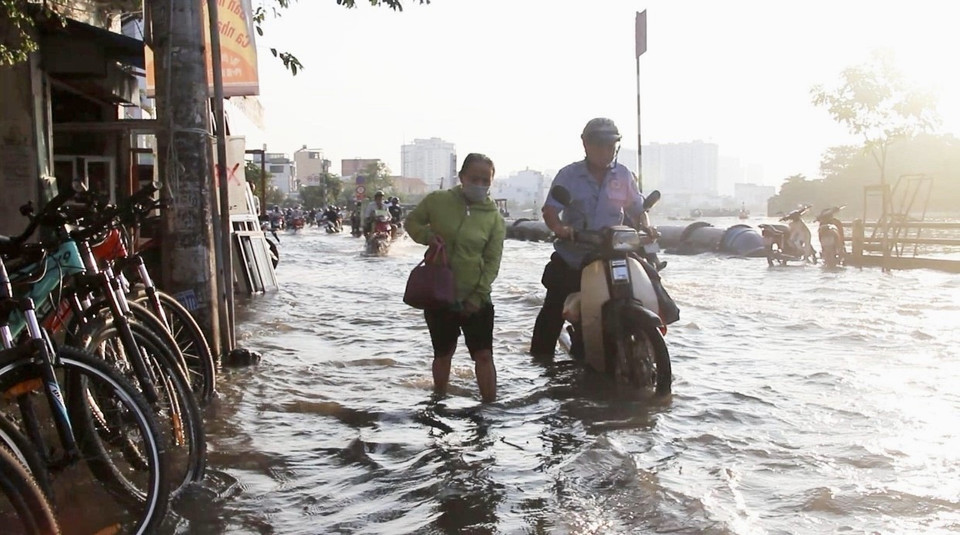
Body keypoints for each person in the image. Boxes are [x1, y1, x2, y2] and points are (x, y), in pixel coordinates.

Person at [529, 117, 656, 359]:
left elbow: (638, 210)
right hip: (576, 256)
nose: (605, 151)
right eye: (599, 144)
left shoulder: (624, 175)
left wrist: (648, 228)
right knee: (554, 307)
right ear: (585, 144)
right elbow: (550, 211)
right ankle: (540, 361)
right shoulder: (569, 175)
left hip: (613, 254)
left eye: (610, 145)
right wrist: (561, 229)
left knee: (652, 281)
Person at [405, 153, 506, 403]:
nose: (480, 185)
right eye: (475, 179)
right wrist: (428, 237)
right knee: (443, 353)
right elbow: (412, 222)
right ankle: (438, 400)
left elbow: (493, 261)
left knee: (483, 356)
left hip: (477, 297)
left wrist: (478, 295)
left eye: (486, 181)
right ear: (462, 177)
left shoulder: (493, 217)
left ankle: (490, 407)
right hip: (439, 294)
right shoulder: (438, 201)